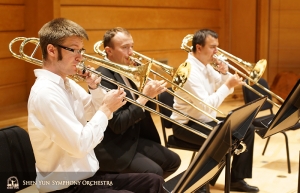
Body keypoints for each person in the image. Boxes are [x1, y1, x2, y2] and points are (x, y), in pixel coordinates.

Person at [27, 18, 165, 193]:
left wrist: (94, 88)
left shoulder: (67, 84)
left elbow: (93, 113)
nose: (80, 57)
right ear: (52, 50)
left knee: (153, 181)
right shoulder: (46, 93)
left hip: (86, 177)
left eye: (81, 50)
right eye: (73, 50)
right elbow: (80, 146)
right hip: (64, 187)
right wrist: (106, 107)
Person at [170, 29, 259, 193]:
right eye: (212, 47)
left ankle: (236, 179)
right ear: (199, 47)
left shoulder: (206, 66)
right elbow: (207, 105)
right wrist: (228, 85)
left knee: (247, 129)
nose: (216, 52)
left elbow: (220, 86)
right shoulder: (189, 72)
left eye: (217, 47)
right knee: (224, 139)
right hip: (187, 125)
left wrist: (225, 74)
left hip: (204, 119)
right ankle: (198, 182)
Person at [94, 27, 181, 179]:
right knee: (154, 173)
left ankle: (143, 187)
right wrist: (144, 97)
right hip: (116, 145)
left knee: (173, 161)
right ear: (109, 51)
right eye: (125, 47)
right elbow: (118, 124)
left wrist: (151, 94)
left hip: (135, 137)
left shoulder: (129, 70)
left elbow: (145, 112)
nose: (131, 52)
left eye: (132, 46)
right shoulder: (102, 77)